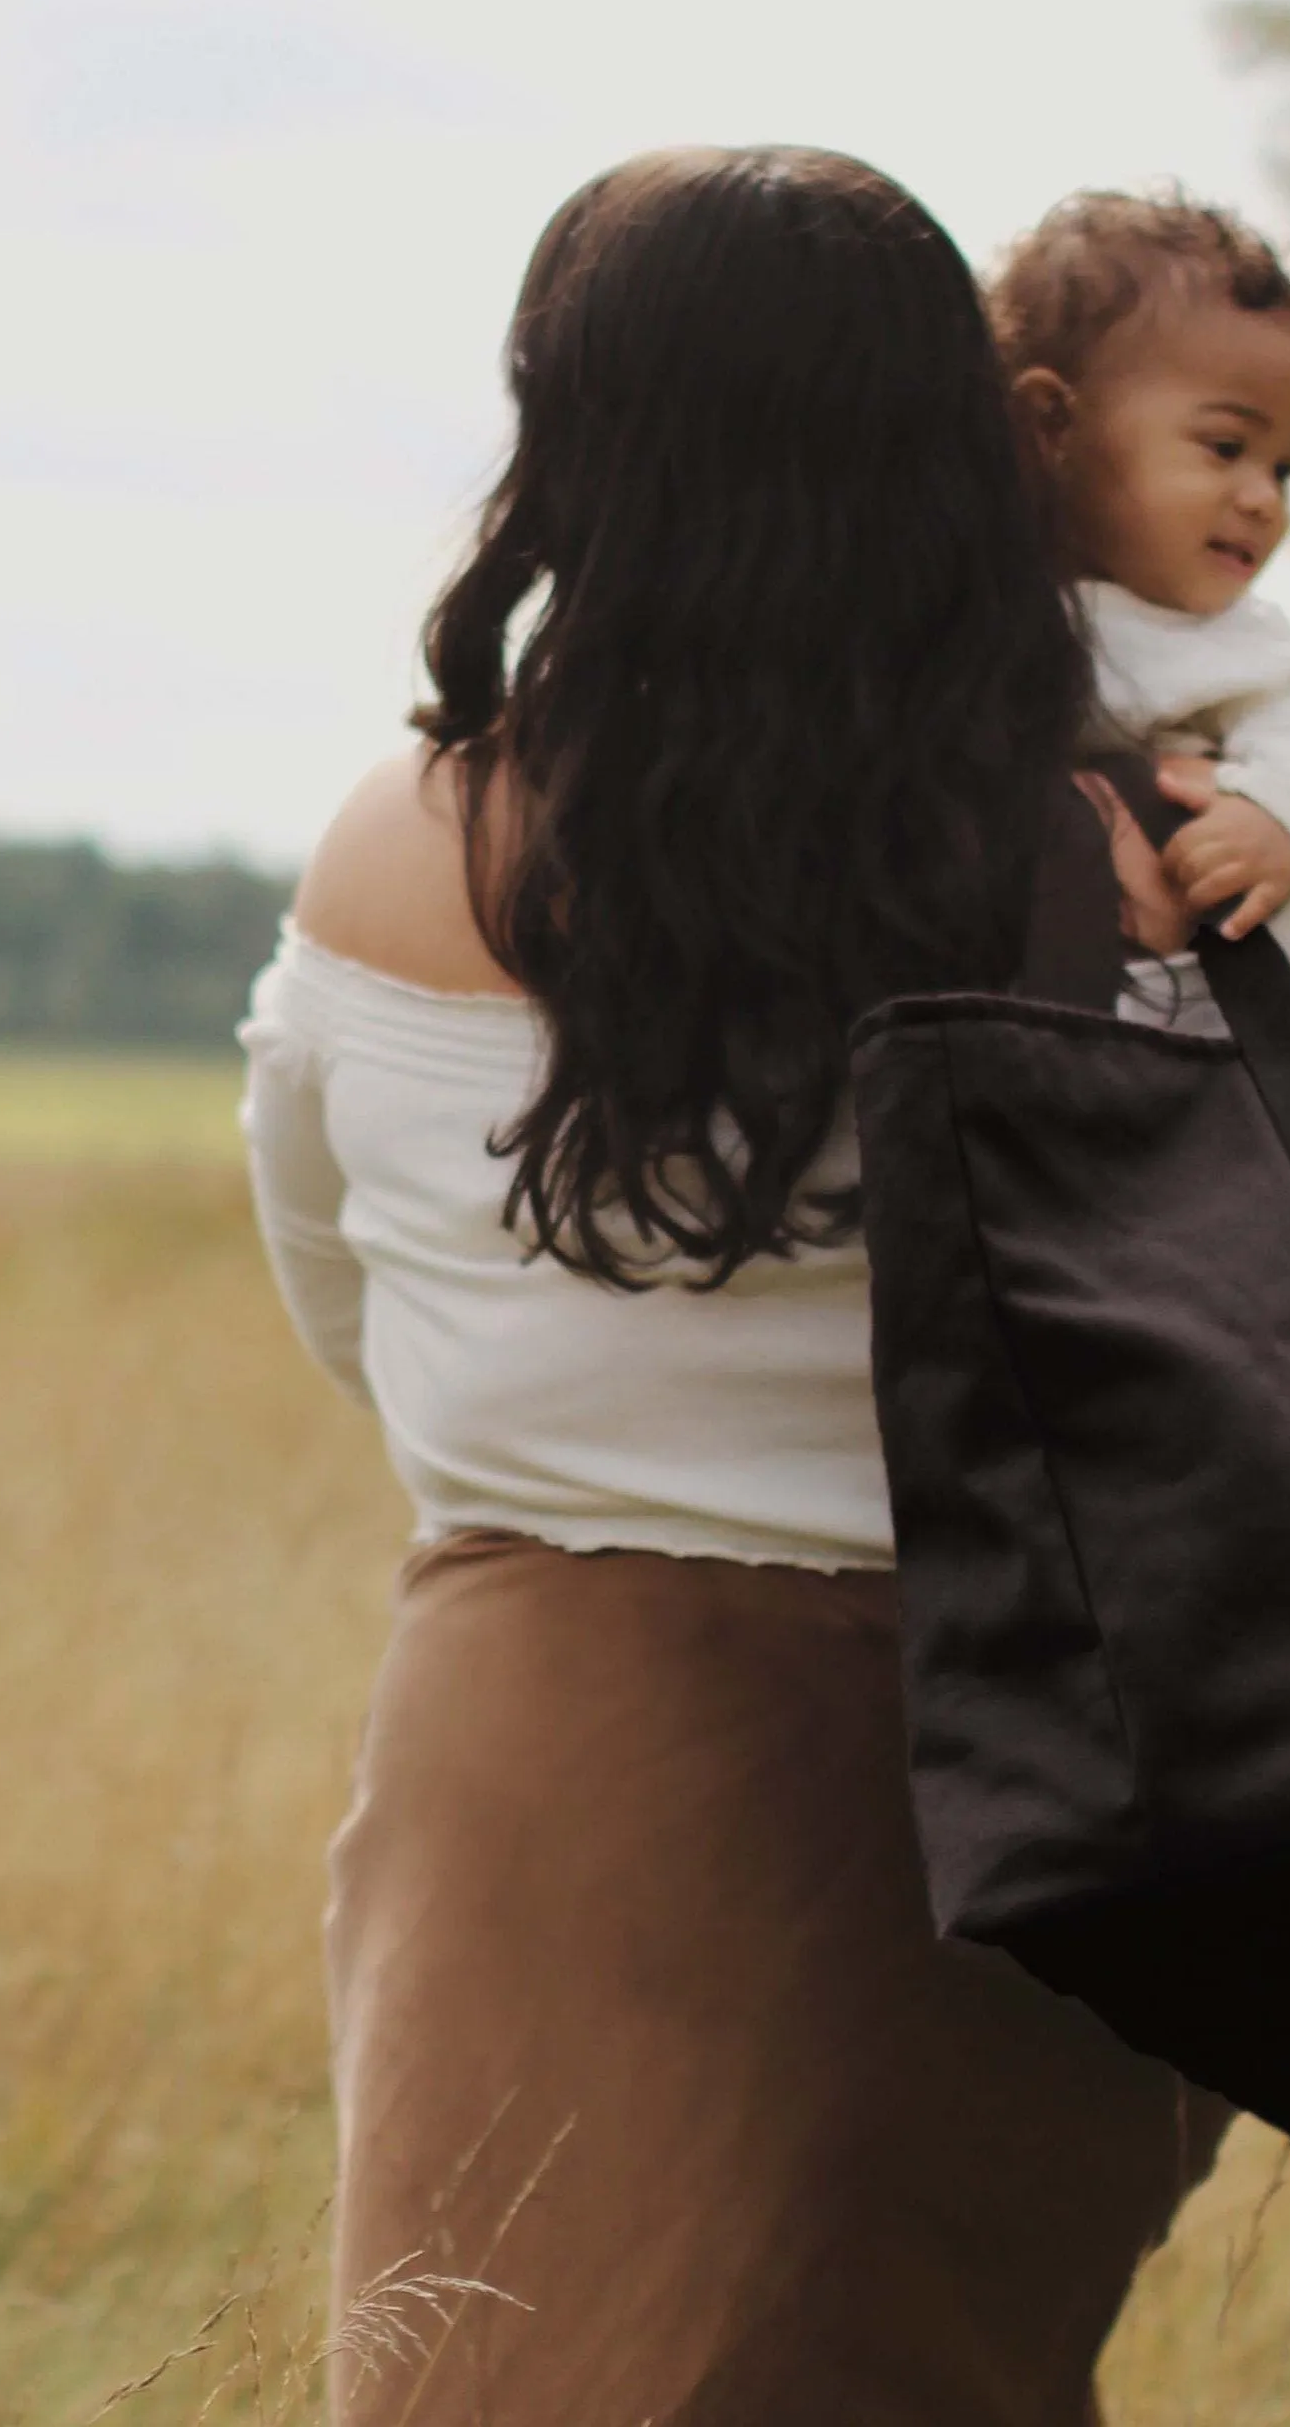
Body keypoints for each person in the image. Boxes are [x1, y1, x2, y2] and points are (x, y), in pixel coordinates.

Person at [238, 147, 1228, 2427]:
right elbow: (1264, 1302)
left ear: (573, 438)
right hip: (1034, 1767)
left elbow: (331, 1272)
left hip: (555, 1745)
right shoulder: (1121, 852)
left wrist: (555, 1445)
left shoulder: (411, 839)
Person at [989, 191, 1290, 1049]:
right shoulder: (1000, 616)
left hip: (1288, 1056)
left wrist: (1280, 817)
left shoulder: (1233, 643)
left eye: (1285, 468)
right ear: (1052, 426)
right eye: (1226, 448)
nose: (1261, 500)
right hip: (1121, 1043)